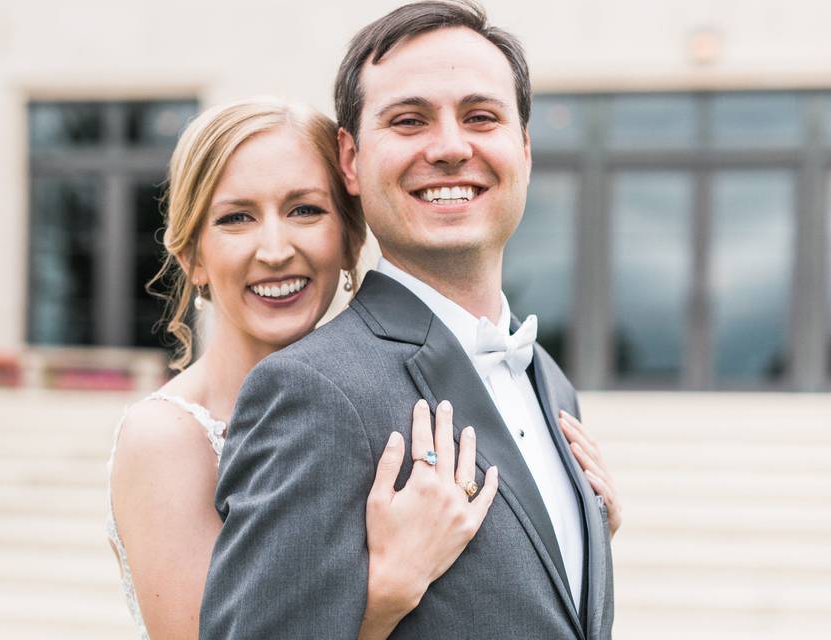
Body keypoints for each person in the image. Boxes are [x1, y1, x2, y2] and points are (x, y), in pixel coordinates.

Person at [200, 2, 619, 640]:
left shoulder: (551, 381)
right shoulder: (310, 391)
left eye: (481, 117)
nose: (451, 147)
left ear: (525, 150)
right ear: (350, 159)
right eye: (409, 119)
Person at [107, 99, 505, 640]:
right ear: (193, 257)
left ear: (349, 239)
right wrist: (385, 595)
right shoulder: (167, 440)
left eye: (304, 211)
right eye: (236, 218)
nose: (274, 250)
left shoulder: (378, 397)